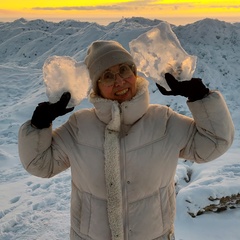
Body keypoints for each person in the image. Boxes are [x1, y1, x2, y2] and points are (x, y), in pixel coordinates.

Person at [18, 40, 234, 240]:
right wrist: (39, 126)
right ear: (96, 85)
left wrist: (200, 97)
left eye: (124, 70)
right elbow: (40, 165)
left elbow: (215, 143)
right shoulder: (79, 126)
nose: (120, 80)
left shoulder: (163, 121)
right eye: (108, 76)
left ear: (134, 72)